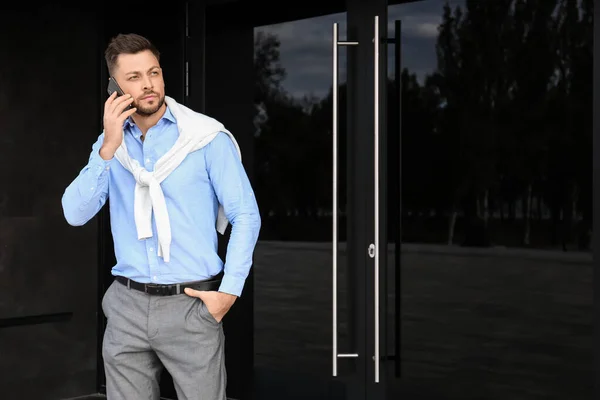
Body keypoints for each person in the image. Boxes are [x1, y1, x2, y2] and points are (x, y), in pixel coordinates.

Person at [62, 33, 261, 400]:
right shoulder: (111, 146)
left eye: (153, 72)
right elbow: (74, 213)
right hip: (126, 307)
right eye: (134, 77)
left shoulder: (205, 137)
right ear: (114, 87)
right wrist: (107, 147)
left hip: (192, 305)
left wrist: (228, 293)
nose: (148, 84)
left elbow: (245, 215)